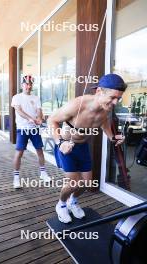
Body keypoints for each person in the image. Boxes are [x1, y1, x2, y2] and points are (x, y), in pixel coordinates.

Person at [48, 73, 127, 223]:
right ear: (99, 92)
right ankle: (61, 204)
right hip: (67, 146)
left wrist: (112, 137)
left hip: (83, 146)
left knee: (87, 183)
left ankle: (73, 202)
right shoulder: (77, 105)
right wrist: (60, 143)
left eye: (119, 98)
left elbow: (104, 123)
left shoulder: (106, 107)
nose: (115, 102)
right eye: (112, 97)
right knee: (74, 183)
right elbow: (52, 120)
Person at [11, 75, 51, 188]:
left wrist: (39, 118)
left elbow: (39, 110)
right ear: (22, 85)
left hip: (34, 129)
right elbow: (19, 110)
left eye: (30, 84)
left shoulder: (36, 98)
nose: (28, 86)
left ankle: (43, 174)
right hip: (22, 129)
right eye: (26, 84)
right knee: (19, 153)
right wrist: (31, 119)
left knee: (40, 151)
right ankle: (16, 178)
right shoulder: (16, 97)